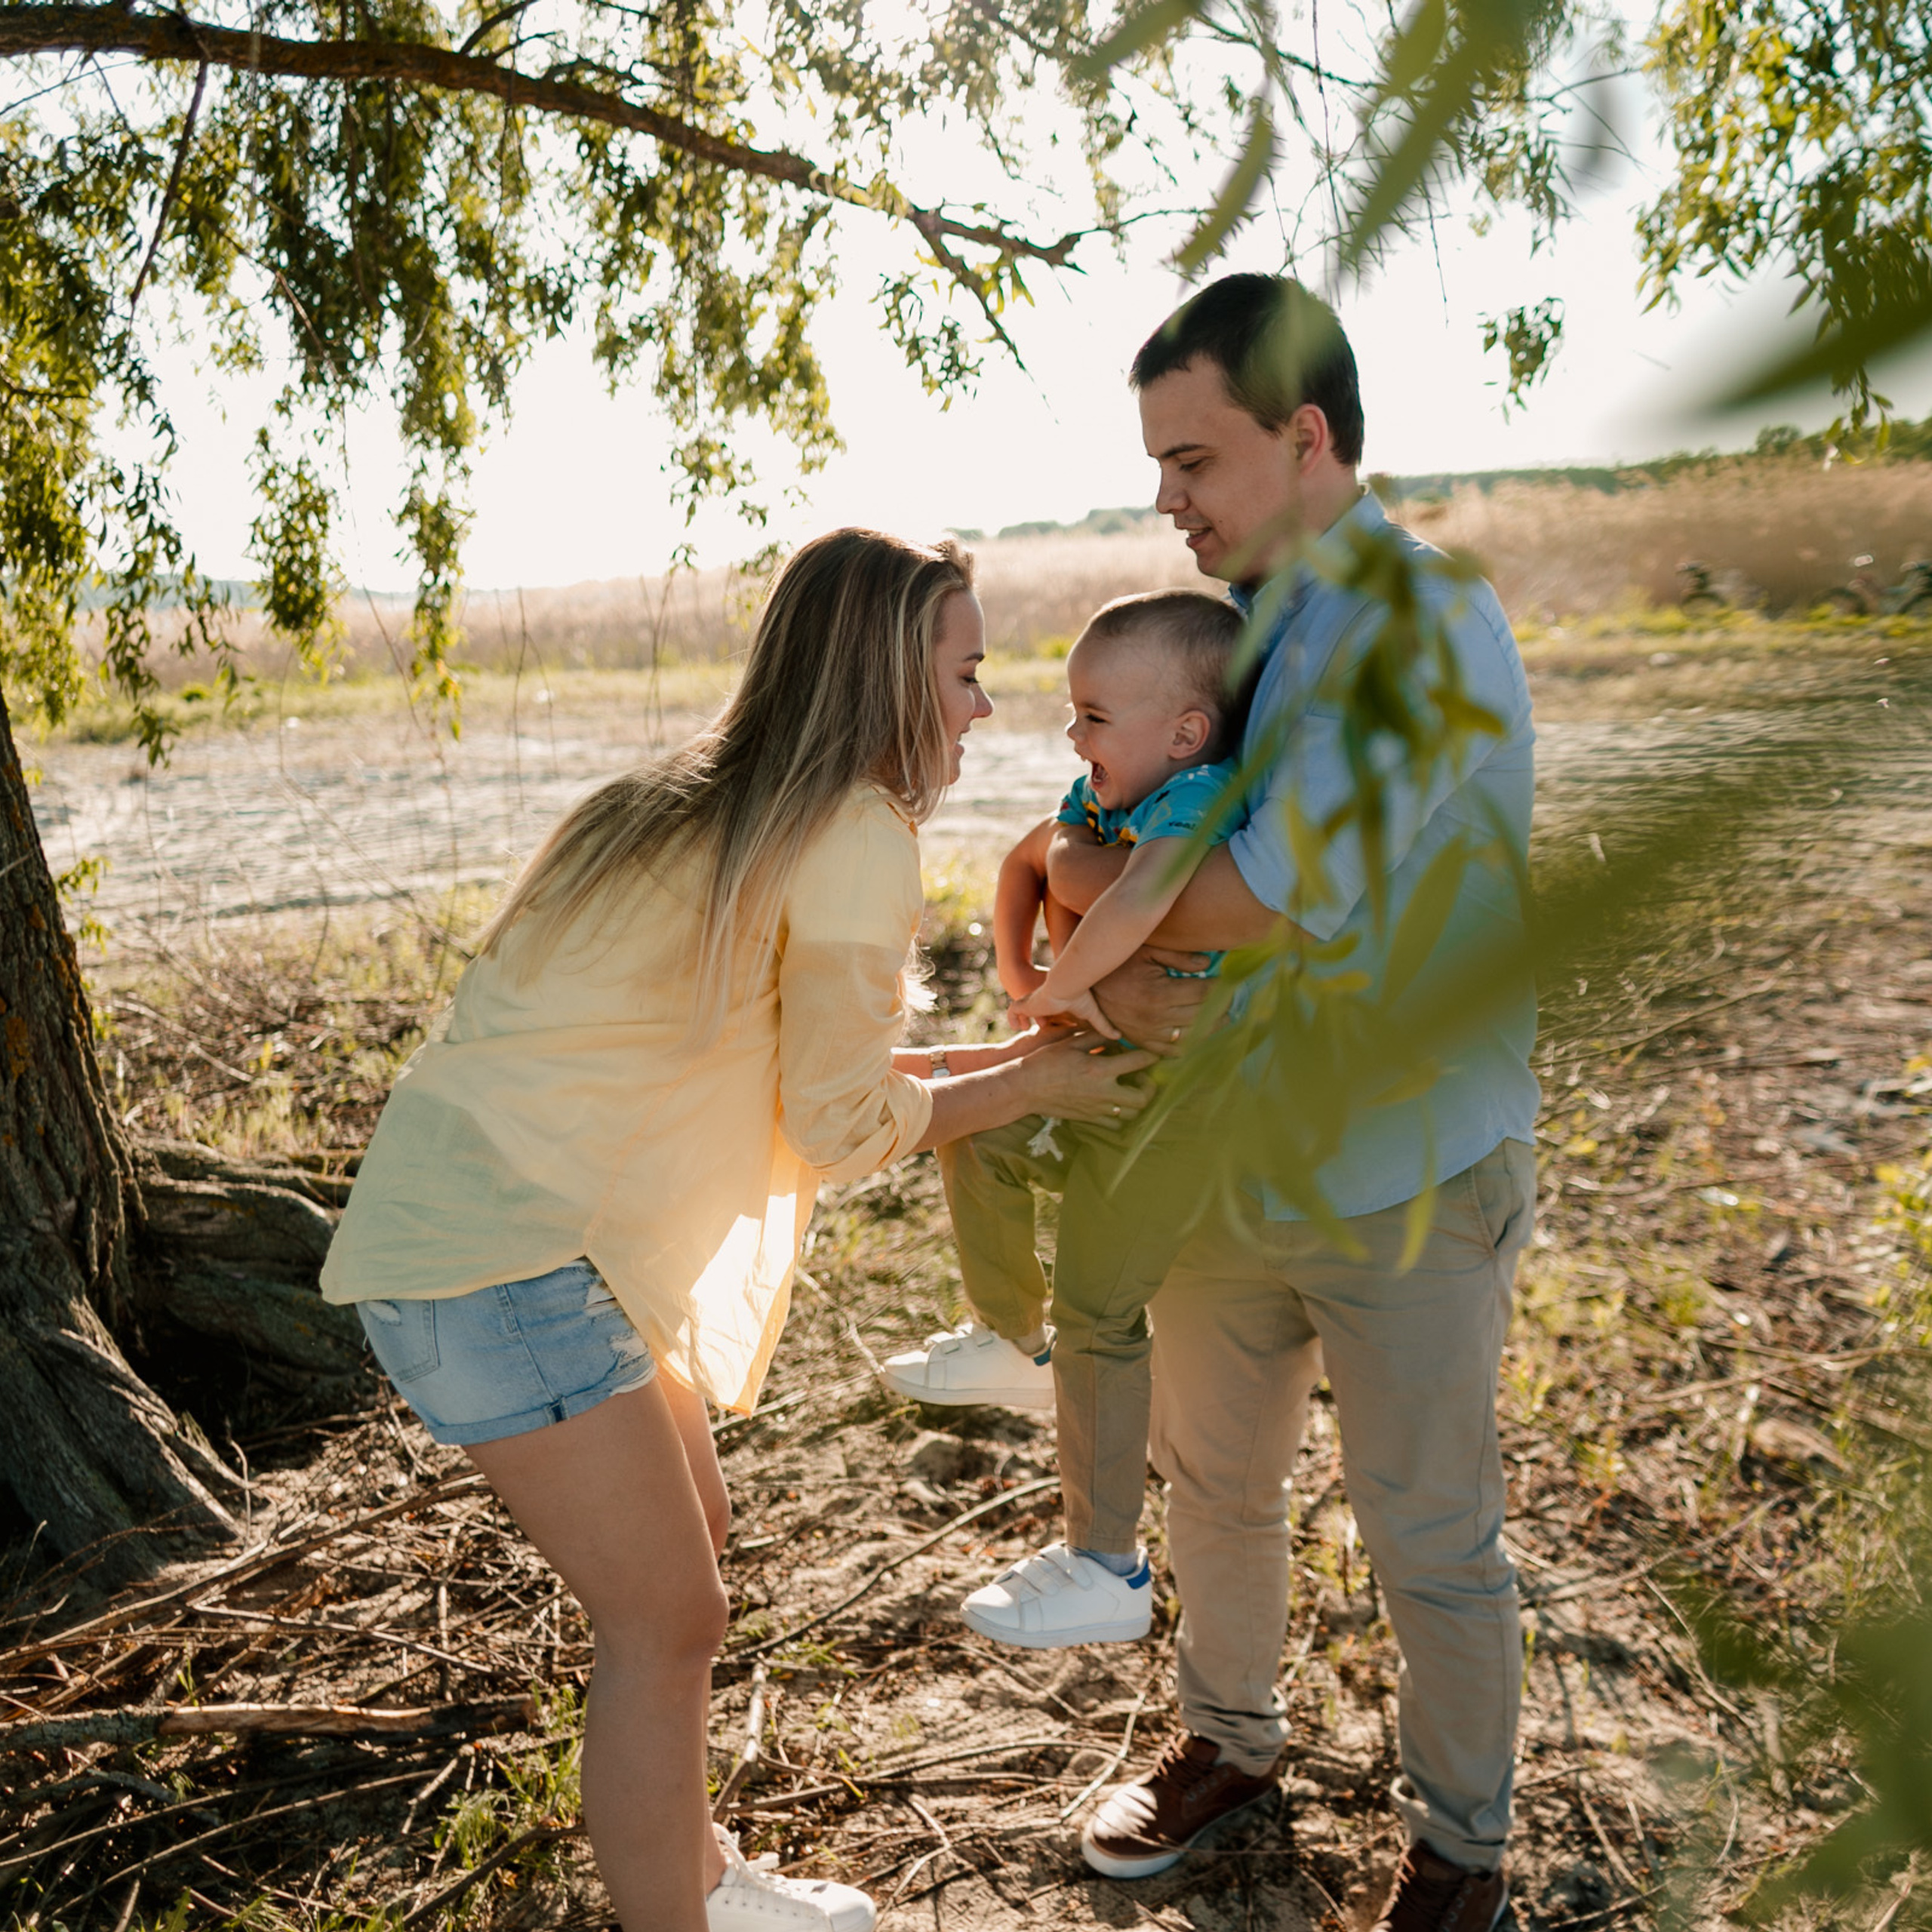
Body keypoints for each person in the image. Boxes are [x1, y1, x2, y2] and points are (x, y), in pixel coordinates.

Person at [318, 529, 1153, 1932]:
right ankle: (681, 1917)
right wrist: (1037, 1079)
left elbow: (803, 1083)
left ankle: (702, 1878)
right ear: (889, 679)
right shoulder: (851, 833)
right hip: (508, 1262)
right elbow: (835, 1127)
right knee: (668, 1618)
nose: (983, 707)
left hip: (505, 1238)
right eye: (966, 671)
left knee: (689, 1544)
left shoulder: (688, 802)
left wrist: (1007, 1065)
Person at [1048, 275, 1538, 1932]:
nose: (1164, 500)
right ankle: (1228, 1741)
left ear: (1304, 435)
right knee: (1216, 1480)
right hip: (1229, 1150)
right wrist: (1082, 879)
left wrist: (1082, 874)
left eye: (1191, 460)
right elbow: (1130, 814)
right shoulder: (1247, 631)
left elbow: (1250, 892)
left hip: (1407, 1163)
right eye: (1157, 467)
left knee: (1427, 1532)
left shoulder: (1409, 620)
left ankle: (1460, 1844)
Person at [880, 589, 1247, 1647]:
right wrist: (1024, 971)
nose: (1071, 733)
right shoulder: (1105, 790)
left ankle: (1106, 1565)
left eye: (1093, 714)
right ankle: (1012, 1338)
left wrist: (1060, 991)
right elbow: (1032, 864)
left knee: (1100, 1310)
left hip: (1176, 1111)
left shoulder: (1198, 801)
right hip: (1099, 1076)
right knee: (977, 1127)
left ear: (1185, 733)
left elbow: (1134, 903)